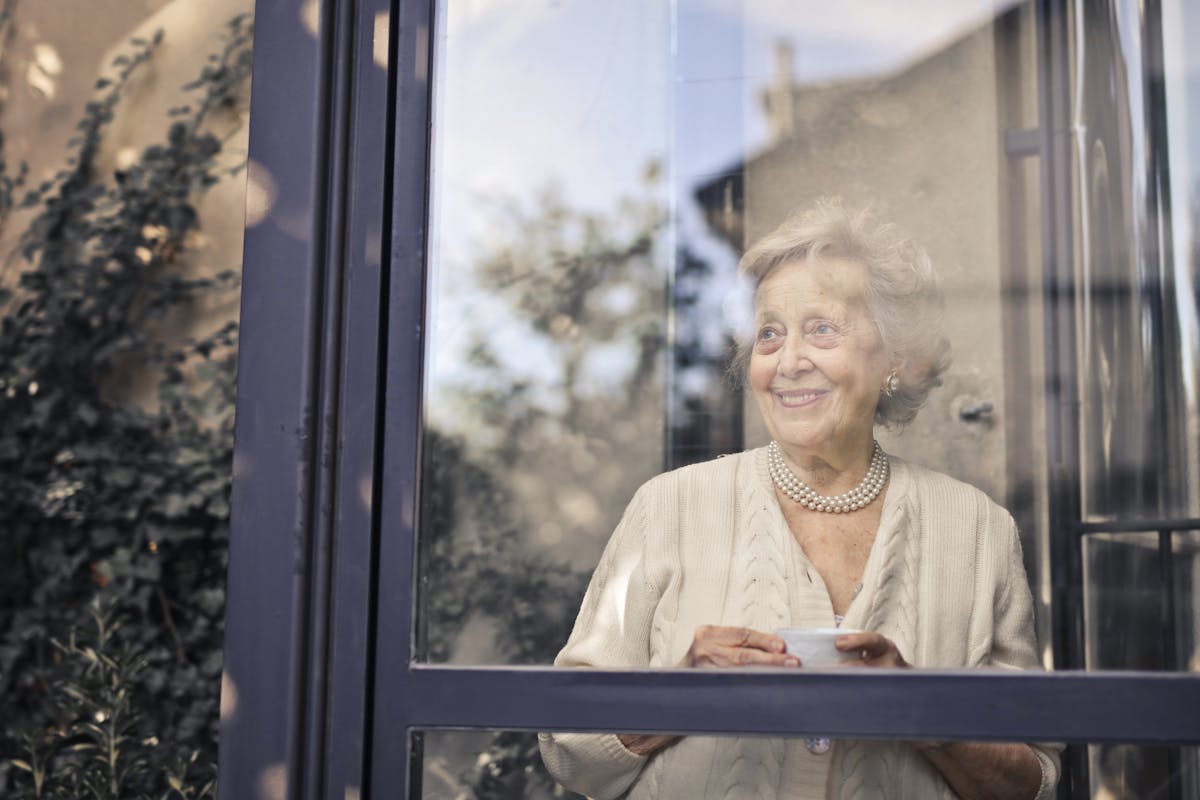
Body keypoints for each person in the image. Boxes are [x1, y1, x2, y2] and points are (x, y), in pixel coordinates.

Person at [538, 200, 1060, 799]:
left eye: (822, 329)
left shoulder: (977, 530)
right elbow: (568, 747)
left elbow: (1033, 781)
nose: (788, 362)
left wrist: (922, 711)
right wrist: (682, 694)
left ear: (895, 358)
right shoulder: (668, 508)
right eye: (769, 334)